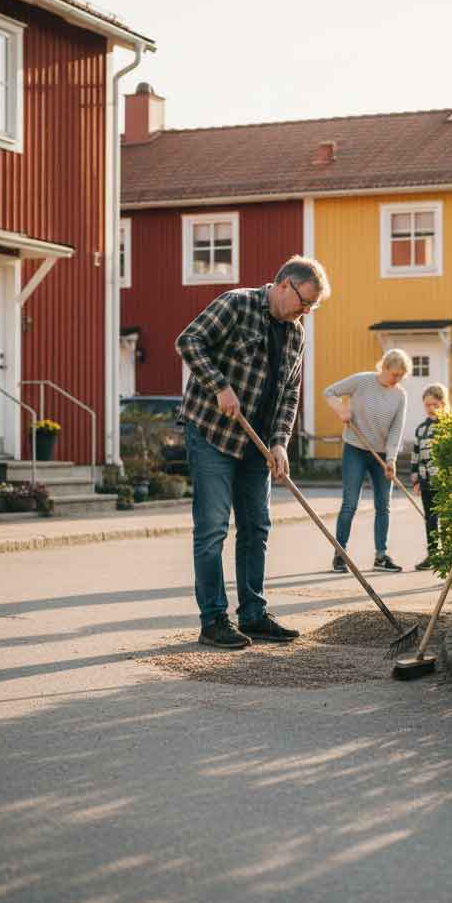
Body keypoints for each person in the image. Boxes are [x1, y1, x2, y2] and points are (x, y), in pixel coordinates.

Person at [175, 256, 331, 649]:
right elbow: (188, 340)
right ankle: (213, 620)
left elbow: (290, 393)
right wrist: (219, 385)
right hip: (212, 434)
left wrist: (280, 441)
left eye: (311, 307)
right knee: (212, 529)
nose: (305, 312)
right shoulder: (237, 304)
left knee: (256, 529)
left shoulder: (296, 334)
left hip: (257, 444)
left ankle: (254, 614)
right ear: (284, 285)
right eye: (304, 302)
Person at [323, 349, 410, 573]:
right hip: (355, 449)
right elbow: (329, 392)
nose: (397, 379)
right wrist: (341, 409)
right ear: (384, 368)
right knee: (350, 504)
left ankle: (381, 557)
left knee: (384, 506)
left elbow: (396, 431)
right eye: (394, 374)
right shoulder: (362, 381)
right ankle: (340, 555)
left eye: (401, 376)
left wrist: (391, 459)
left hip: (381, 455)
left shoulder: (400, 395)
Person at [410, 382, 449, 570]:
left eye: (435, 404)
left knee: (448, 519)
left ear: (443, 404)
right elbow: (416, 454)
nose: (431, 408)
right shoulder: (421, 429)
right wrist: (415, 477)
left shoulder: (448, 426)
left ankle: (449, 556)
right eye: (427, 405)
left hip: (445, 483)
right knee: (430, 519)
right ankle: (433, 554)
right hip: (427, 482)